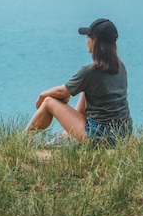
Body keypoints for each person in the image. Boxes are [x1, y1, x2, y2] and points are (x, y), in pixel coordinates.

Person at [26, 18, 132, 147]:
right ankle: (66, 136)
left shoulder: (89, 72)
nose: (86, 40)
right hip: (123, 134)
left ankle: (22, 140)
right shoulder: (120, 67)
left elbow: (62, 91)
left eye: (88, 36)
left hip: (100, 136)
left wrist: (43, 95)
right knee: (86, 89)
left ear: (95, 42)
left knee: (49, 102)